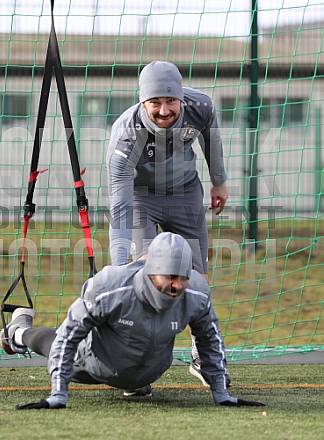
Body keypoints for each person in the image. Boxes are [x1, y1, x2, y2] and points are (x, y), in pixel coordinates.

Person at [0, 232, 263, 410]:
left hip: (146, 370)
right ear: (151, 271)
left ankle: (135, 381)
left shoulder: (197, 294)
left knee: (136, 368)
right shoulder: (110, 287)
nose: (176, 285)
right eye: (169, 277)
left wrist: (221, 393)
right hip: (93, 363)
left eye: (182, 277)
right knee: (55, 341)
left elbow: (210, 340)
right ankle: (18, 332)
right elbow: (69, 336)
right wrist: (58, 393)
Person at [106, 60, 228, 382]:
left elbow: (211, 141)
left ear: (181, 98)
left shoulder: (200, 107)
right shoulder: (126, 135)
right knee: (148, 276)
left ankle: (202, 356)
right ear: (142, 102)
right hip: (141, 199)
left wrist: (219, 182)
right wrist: (119, 266)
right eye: (155, 102)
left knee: (198, 278)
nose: (163, 110)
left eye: (170, 100)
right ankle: (136, 367)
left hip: (185, 193)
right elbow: (120, 208)